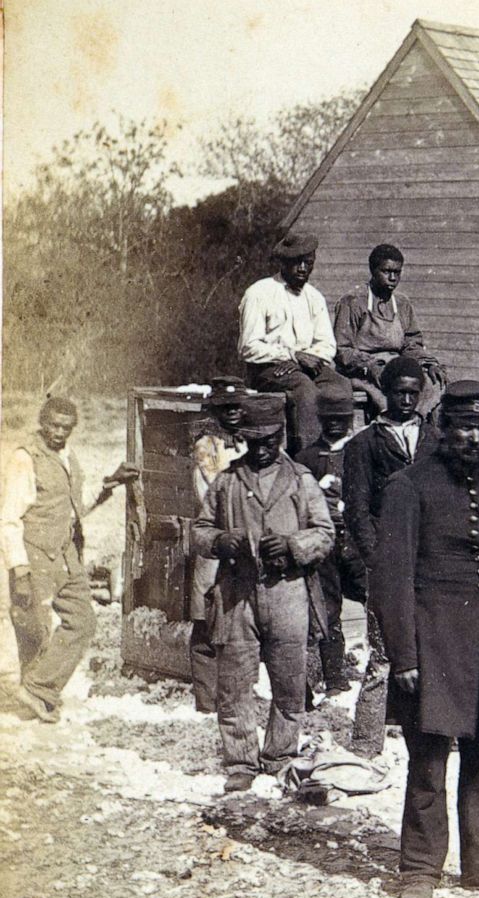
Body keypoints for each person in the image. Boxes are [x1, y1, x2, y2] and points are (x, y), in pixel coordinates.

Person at [370, 381, 479, 898]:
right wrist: (404, 654)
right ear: (443, 428)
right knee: (428, 761)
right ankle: (419, 869)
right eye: (465, 426)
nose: (475, 437)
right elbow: (391, 579)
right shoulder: (408, 487)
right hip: (434, 644)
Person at [190, 393, 333, 791]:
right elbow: (198, 531)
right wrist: (221, 541)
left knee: (289, 683)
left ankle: (280, 755)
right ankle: (240, 760)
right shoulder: (227, 481)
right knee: (234, 682)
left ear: (282, 436)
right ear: (245, 441)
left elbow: (326, 534)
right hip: (237, 595)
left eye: (270, 440)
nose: (263, 449)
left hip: (288, 593)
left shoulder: (301, 481)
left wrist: (293, 545)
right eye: (255, 441)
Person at [1, 397, 137, 722]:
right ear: (42, 422)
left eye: (65, 427)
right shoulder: (25, 458)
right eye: (53, 425)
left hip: (66, 553)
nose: (58, 432)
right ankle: (35, 698)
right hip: (33, 554)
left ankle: (36, 688)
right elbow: (8, 519)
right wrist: (19, 569)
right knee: (34, 628)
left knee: (83, 622)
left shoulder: (68, 458)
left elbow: (75, 507)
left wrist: (110, 484)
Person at [342, 356, 440, 757]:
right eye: (398, 392)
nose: (405, 400)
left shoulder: (434, 440)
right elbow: (357, 509)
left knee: (433, 647)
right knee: (382, 653)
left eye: (412, 393)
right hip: (389, 563)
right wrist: (376, 559)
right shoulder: (364, 444)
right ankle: (366, 741)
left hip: (432, 562)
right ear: (386, 393)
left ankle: (435, 732)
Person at [237, 232, 351, 454]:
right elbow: (248, 347)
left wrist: (301, 360)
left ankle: (337, 453)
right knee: (305, 390)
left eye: (307, 263)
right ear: (282, 263)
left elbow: (327, 344)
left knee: (341, 385)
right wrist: (293, 355)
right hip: (269, 370)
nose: (302, 268)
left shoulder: (314, 297)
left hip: (305, 367)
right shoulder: (259, 293)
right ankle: (309, 458)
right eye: (296, 263)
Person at [292, 381, 364, 695]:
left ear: (351, 419)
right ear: (320, 420)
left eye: (342, 418)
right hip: (326, 547)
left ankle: (380, 670)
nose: (335, 423)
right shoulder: (306, 458)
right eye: (329, 418)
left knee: (376, 601)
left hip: (359, 543)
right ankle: (334, 677)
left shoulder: (362, 452)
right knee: (328, 608)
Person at [187, 377, 251, 713]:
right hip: (216, 539)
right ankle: (207, 700)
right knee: (206, 619)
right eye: (227, 407)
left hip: (244, 543)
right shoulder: (207, 445)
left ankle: (234, 694)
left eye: (238, 406)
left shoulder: (248, 440)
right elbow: (215, 493)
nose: (234, 413)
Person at [332, 243, 446, 420]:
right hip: (362, 370)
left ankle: (418, 428)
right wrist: (371, 366)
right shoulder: (353, 301)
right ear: (373, 270)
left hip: (397, 365)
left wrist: (428, 364)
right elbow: (342, 349)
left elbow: (411, 344)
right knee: (393, 396)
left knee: (433, 383)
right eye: (386, 272)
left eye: (397, 272)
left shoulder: (402, 303)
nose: (392, 278)